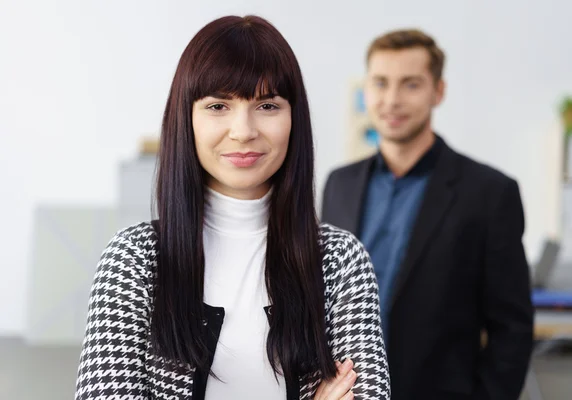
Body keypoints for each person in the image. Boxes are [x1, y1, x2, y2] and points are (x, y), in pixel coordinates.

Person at [74, 15, 390, 400]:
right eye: (219, 105)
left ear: (295, 118)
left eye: (268, 105)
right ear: (186, 118)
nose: (243, 130)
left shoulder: (340, 260)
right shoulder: (134, 259)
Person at [321, 29, 533, 400]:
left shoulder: (489, 193)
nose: (391, 100)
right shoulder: (339, 184)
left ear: (438, 91)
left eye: (411, 84)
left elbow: (512, 329)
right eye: (380, 83)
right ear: (365, 89)